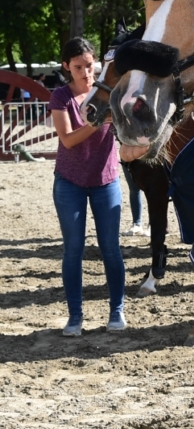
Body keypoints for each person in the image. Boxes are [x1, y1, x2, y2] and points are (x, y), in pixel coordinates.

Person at [49, 37, 127, 336]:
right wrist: (98, 121)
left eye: (90, 65)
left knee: (111, 249)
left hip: (106, 180)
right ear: (67, 67)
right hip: (69, 182)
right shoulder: (60, 97)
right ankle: (75, 316)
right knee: (73, 250)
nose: (86, 72)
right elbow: (67, 140)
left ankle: (117, 310)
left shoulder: (111, 93)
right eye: (78, 67)